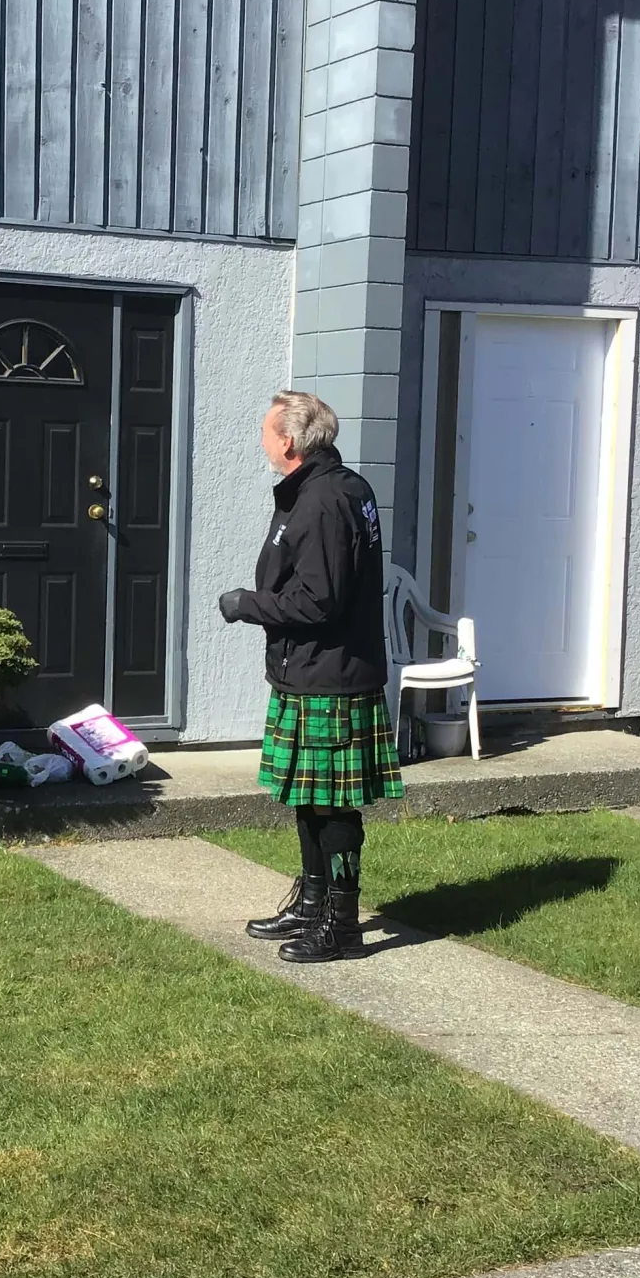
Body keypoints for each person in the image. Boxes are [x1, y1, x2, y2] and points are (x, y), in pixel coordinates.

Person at [219, 391, 403, 963]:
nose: (263, 440)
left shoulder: (325, 499)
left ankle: (341, 927)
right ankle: (312, 901)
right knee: (309, 798)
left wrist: (247, 603)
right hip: (312, 671)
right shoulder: (336, 487)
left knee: (333, 806)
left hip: (332, 677)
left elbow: (318, 600)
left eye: (267, 431)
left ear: (290, 441)